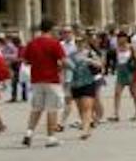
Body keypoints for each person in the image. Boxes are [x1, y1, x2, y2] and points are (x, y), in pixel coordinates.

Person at [20, 18, 67, 148]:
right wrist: (63, 68)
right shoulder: (54, 43)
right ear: (51, 29)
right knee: (52, 109)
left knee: (36, 108)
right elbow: (63, 61)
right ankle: (51, 137)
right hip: (52, 79)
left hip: (36, 79)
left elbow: (25, 61)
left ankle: (29, 133)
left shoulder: (32, 43)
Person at [67, 38, 103, 138]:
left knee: (87, 107)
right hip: (75, 84)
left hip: (88, 82)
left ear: (85, 43)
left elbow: (100, 64)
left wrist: (90, 61)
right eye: (77, 42)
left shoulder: (90, 53)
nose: (79, 44)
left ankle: (85, 131)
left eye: (82, 41)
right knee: (80, 109)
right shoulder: (71, 55)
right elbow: (67, 66)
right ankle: (86, 127)